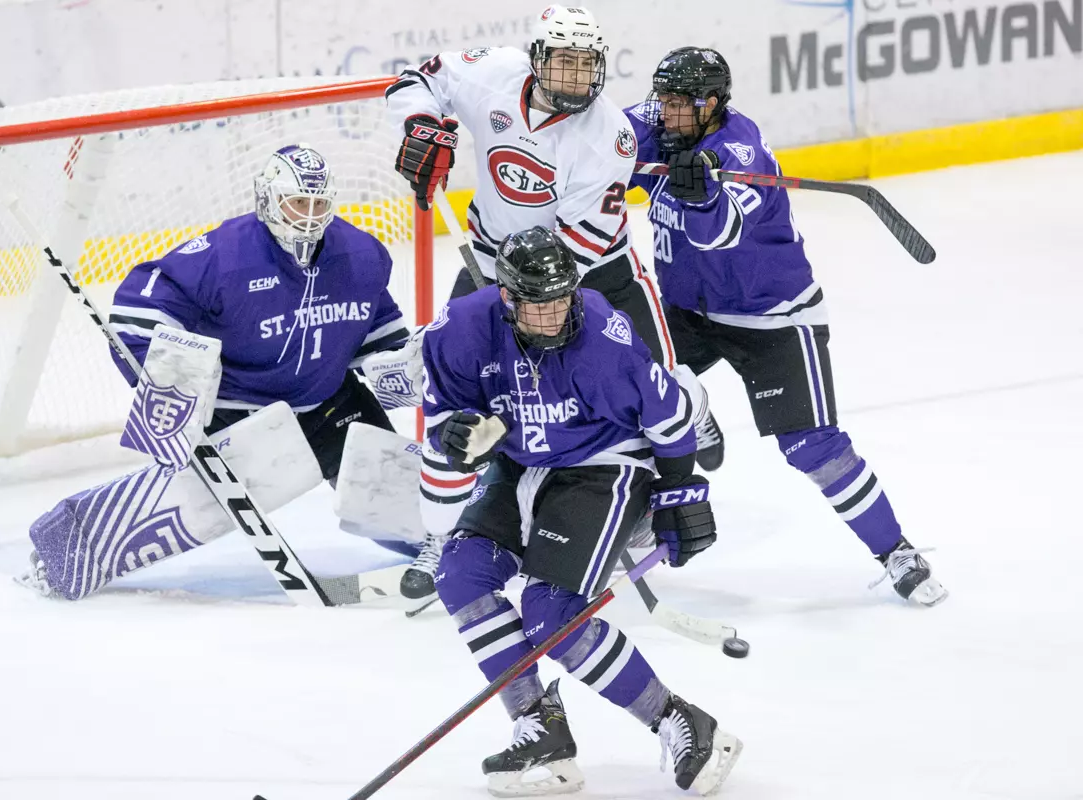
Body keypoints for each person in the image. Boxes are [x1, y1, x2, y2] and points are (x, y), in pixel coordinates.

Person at [383, 3, 724, 599]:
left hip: (597, 271)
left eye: (587, 64)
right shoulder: (492, 71)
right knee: (458, 393)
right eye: (563, 62)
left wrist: (515, 294)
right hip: (493, 260)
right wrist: (420, 126)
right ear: (538, 59)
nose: (575, 78)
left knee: (655, 381)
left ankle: (690, 407)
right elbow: (416, 82)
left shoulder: (609, 136)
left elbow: (572, 255)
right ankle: (443, 534)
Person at [18, 144, 424, 601]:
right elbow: (138, 307)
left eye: (318, 205)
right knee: (192, 506)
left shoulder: (361, 255)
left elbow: (376, 333)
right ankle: (63, 549)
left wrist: (403, 365)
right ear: (268, 200)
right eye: (297, 203)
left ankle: (454, 545)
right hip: (240, 411)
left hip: (329, 401)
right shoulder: (225, 256)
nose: (309, 217)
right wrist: (174, 372)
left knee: (397, 496)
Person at [423, 225, 742, 796]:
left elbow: (671, 421)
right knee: (461, 574)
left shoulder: (603, 340)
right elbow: (440, 418)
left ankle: (681, 720)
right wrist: (453, 434)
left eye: (562, 300)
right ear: (507, 298)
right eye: (538, 307)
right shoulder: (460, 331)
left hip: (606, 461)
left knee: (552, 613)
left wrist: (679, 495)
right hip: (521, 461)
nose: (555, 317)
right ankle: (538, 726)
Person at [625, 47, 947, 605]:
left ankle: (896, 550)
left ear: (714, 104)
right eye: (666, 101)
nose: (671, 113)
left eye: (685, 104)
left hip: (772, 317)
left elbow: (719, 234)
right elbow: (604, 135)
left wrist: (702, 198)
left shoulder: (740, 152)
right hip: (685, 312)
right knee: (630, 397)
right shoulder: (657, 122)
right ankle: (683, 431)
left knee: (812, 447)